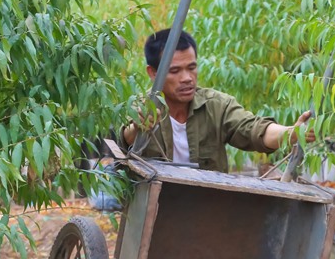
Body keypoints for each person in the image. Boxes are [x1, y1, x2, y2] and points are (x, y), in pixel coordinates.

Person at [122, 29, 313, 173]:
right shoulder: (138, 107)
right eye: (175, 71)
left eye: (192, 68)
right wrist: (138, 129)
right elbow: (123, 139)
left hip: (209, 210)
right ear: (153, 73)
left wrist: (291, 133)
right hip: (156, 210)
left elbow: (252, 129)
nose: (187, 78)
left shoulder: (216, 105)